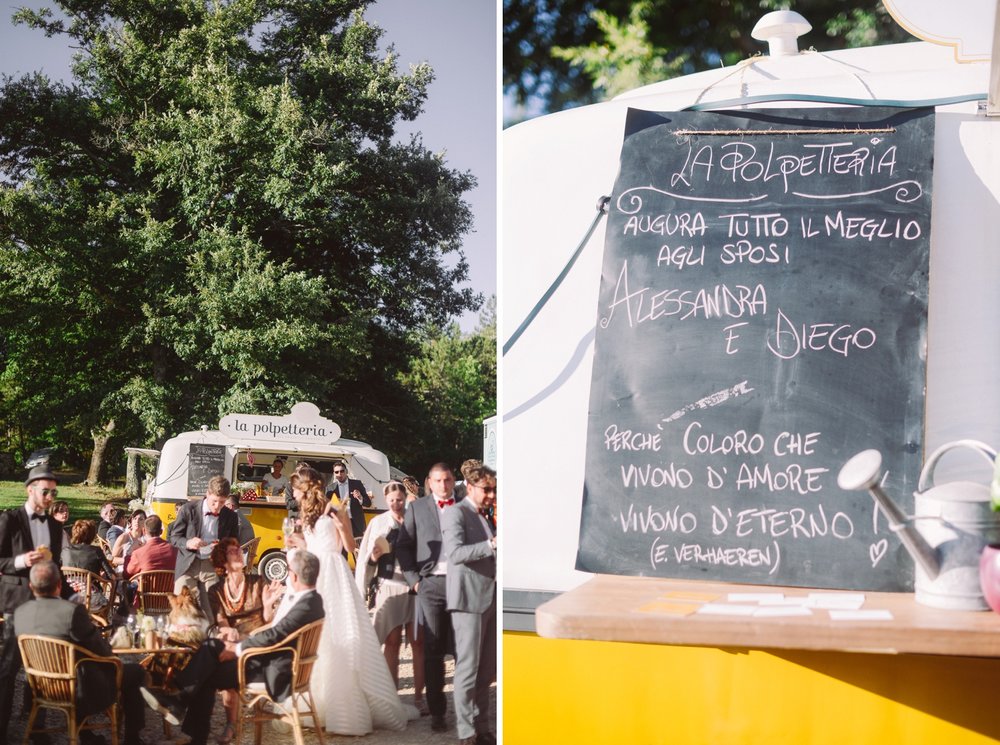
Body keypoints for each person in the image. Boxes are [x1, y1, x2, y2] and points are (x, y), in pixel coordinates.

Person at [140, 549, 325, 745]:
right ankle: (182, 707)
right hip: (270, 659)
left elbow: (274, 636)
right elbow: (274, 632)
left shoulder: (305, 604)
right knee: (211, 648)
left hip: (274, 669)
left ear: (294, 576)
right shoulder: (311, 601)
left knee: (208, 667)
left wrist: (238, 648)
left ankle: (181, 705)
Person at [287, 467, 409, 735]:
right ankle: (316, 700)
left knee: (339, 630)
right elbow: (311, 548)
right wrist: (297, 542)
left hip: (333, 570)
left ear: (306, 488)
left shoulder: (334, 508)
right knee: (316, 636)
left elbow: (350, 547)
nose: (293, 494)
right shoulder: (305, 514)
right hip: (314, 571)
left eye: (295, 488)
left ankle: (344, 705)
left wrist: (342, 524)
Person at [15, 560, 147, 745]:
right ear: (60, 585)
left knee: (83, 663)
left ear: (31, 586)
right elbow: (101, 651)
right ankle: (132, 739)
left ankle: (85, 734)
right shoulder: (72, 612)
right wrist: (114, 659)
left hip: (40, 685)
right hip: (75, 686)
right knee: (135, 672)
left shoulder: (20, 613)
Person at [0, 465, 72, 740]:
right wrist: (20, 561)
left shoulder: (54, 526)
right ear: (30, 490)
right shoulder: (11, 519)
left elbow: (57, 568)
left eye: (54, 492)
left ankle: (36, 727)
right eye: (46, 491)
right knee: (9, 668)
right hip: (17, 602)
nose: (50, 497)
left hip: (47, 604)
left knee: (42, 667)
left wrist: (72, 596)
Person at [396, 461, 460, 733]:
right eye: (438, 481)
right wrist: (414, 581)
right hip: (430, 585)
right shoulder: (417, 508)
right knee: (433, 650)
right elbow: (403, 545)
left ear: (453, 480)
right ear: (429, 483)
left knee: (465, 650)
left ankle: (471, 714)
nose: (443, 486)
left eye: (447, 480)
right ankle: (438, 712)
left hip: (462, 584)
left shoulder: (468, 505)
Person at [355, 481, 426, 712]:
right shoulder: (378, 523)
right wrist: (374, 557)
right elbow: (366, 557)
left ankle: (419, 697)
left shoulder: (415, 520)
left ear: (405, 498)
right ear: (386, 500)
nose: (396, 503)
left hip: (414, 587)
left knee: (418, 642)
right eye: (392, 500)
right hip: (389, 584)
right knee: (392, 642)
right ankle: (391, 695)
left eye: (399, 499)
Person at [442, 465, 497, 745]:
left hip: (488, 599)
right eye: (486, 489)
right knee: (467, 669)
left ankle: (482, 727)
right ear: (470, 486)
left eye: (492, 489)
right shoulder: (456, 512)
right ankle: (466, 732)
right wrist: (492, 545)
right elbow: (455, 553)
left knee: (487, 670)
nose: (490, 495)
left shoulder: (483, 515)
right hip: (468, 600)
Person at [207, 537, 281, 744]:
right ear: (223, 561)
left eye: (239, 550)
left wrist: (268, 605)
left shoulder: (258, 582)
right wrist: (228, 632)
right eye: (233, 552)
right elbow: (221, 621)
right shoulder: (216, 591)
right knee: (224, 660)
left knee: (218, 661)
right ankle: (231, 724)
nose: (239, 553)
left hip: (258, 645)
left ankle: (228, 724)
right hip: (233, 644)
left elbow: (270, 622)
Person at [169, 475, 240, 618]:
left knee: (214, 611)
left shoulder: (230, 516)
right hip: (188, 563)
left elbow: (234, 543)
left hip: (212, 565)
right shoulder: (188, 510)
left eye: (222, 502)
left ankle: (211, 637)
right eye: (214, 501)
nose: (217, 506)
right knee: (183, 611)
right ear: (207, 494)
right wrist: (188, 543)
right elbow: (174, 538)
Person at [326, 460, 371, 539]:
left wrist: (360, 497)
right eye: (336, 472)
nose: (339, 474)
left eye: (342, 471)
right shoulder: (330, 488)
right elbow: (327, 509)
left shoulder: (357, 484)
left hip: (356, 523)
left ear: (346, 471)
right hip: (339, 523)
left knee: (358, 549)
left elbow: (368, 503)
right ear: (334, 474)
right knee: (342, 550)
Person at [123, 515, 178, 579]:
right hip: (170, 588)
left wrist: (128, 554)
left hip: (144, 589)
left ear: (144, 531)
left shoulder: (139, 553)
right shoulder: (174, 550)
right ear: (161, 531)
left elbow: (127, 574)